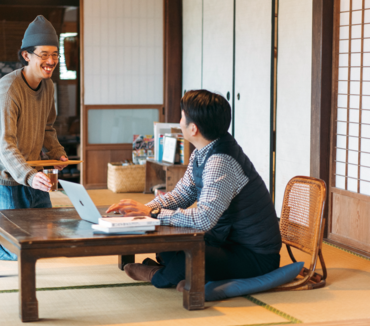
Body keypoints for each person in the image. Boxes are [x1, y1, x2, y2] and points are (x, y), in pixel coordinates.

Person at [107, 90, 282, 290]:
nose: (179, 121)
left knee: (188, 253)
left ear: (193, 129)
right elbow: (182, 194)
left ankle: (157, 276)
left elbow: (204, 220)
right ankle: (178, 274)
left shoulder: (220, 161)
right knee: (164, 238)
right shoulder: (204, 150)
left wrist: (154, 213)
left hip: (253, 255)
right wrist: (143, 211)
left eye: (182, 117)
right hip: (223, 240)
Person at [0, 15, 68, 260]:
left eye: (55, 55)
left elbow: (47, 126)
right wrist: (29, 175)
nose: (51, 61)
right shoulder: (8, 91)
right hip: (1, 178)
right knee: (15, 249)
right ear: (27, 56)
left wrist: (56, 152)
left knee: (45, 242)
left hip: (32, 171)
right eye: (44, 55)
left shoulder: (48, 86)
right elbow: (4, 145)